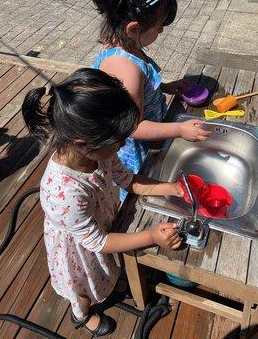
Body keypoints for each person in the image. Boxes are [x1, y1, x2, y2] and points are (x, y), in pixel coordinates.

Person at [22, 68, 184, 337]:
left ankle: (105, 286)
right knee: (82, 288)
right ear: (83, 142)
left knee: (105, 271)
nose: (123, 144)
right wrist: (152, 236)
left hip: (100, 227)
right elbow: (99, 242)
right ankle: (81, 316)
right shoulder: (62, 192)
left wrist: (173, 188)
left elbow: (127, 179)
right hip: (78, 251)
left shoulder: (100, 151)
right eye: (118, 141)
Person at [92, 0, 211, 199]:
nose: (161, 32)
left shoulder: (125, 44)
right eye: (158, 27)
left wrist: (165, 87)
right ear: (134, 29)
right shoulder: (126, 69)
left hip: (150, 136)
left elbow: (140, 90)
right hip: (135, 153)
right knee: (137, 200)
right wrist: (177, 129)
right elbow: (133, 126)